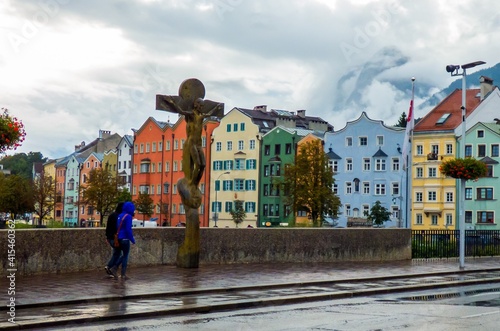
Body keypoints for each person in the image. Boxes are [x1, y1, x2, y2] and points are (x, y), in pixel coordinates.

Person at [109, 201, 136, 280]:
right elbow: (128, 229)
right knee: (125, 255)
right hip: (125, 238)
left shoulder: (120, 215)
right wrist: (132, 239)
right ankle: (122, 273)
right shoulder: (128, 217)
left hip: (119, 238)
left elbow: (118, 227)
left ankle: (114, 268)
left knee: (123, 255)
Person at [104, 202, 124, 276]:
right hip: (116, 238)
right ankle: (112, 268)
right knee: (124, 254)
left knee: (117, 253)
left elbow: (108, 227)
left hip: (110, 238)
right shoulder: (119, 216)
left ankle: (109, 267)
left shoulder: (111, 215)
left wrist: (107, 237)